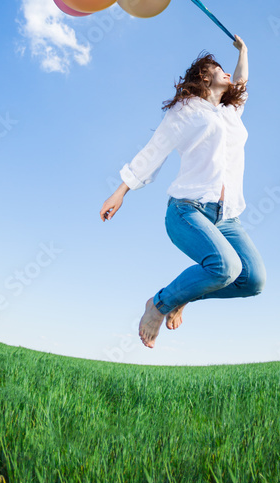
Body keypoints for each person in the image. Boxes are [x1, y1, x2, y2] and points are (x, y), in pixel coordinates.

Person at [99, 34, 266, 348]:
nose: (227, 73)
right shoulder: (187, 110)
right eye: (219, 69)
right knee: (226, 267)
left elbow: (242, 82)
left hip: (227, 218)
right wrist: (121, 190)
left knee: (253, 281)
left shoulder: (230, 113)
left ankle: (184, 296)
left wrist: (244, 51)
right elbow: (154, 149)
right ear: (205, 76)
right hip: (188, 210)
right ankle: (159, 304)